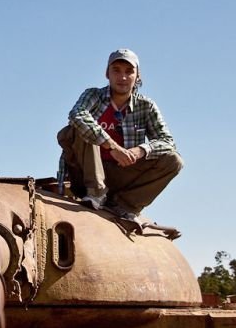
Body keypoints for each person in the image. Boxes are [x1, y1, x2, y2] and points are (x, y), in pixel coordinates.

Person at [57, 48, 183, 222]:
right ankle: (96, 192)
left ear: (137, 76)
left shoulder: (146, 106)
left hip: (122, 173)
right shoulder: (93, 95)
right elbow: (77, 114)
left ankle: (125, 205)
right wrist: (112, 146)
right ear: (107, 73)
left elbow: (167, 141)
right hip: (86, 173)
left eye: (129, 71)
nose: (122, 77)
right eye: (116, 70)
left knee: (173, 160)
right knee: (74, 129)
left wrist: (140, 150)